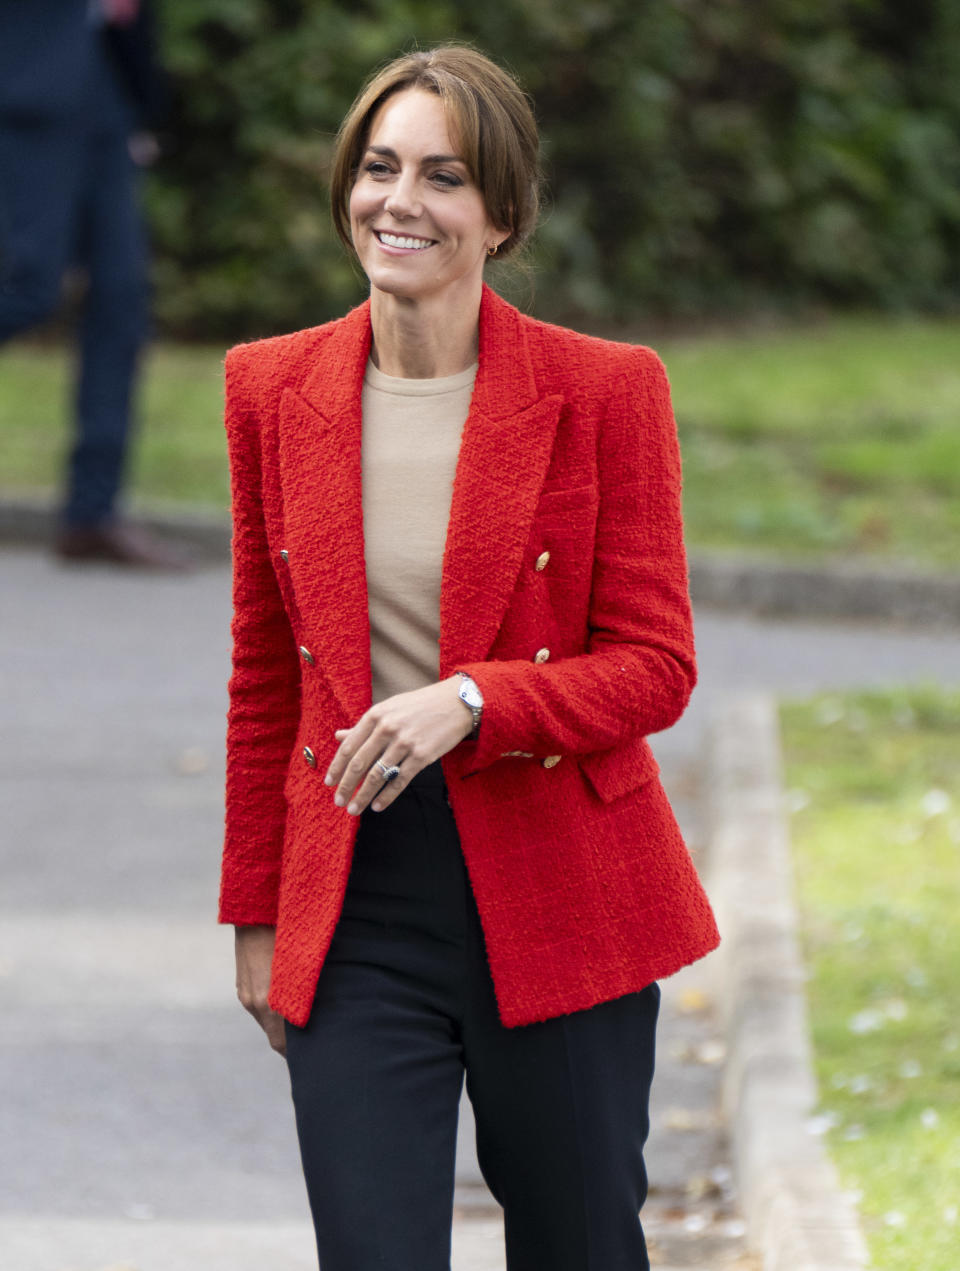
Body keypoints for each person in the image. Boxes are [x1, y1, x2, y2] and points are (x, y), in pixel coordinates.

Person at [219, 44, 719, 1271]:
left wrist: (473, 700)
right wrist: (252, 912)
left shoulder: (606, 391)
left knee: (580, 1245)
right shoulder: (269, 387)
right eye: (379, 167)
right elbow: (262, 671)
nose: (401, 201)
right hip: (357, 898)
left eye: (443, 176)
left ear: (502, 215)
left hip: (559, 887)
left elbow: (656, 664)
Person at [0, 0, 183, 567]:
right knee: (29, 291)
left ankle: (92, 513)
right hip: (23, 85)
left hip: (106, 87)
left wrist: (140, 103)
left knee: (122, 299)